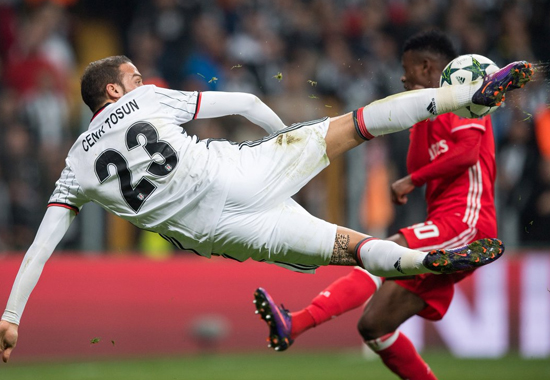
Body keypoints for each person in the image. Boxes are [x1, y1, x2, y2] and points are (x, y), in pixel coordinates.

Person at [0, 54, 532, 363]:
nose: (141, 81)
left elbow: (39, 251)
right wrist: (291, 144)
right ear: (116, 89)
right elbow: (250, 104)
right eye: (134, 76)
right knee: (357, 123)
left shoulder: (73, 167)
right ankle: (473, 99)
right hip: (240, 172)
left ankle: (423, 263)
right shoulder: (147, 100)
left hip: (220, 233)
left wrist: (11, 319)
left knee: (352, 250)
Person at [253, 30, 525, 380]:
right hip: (446, 223)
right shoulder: (432, 111)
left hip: (467, 220)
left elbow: (466, 153)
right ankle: (296, 326)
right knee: (374, 326)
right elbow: (414, 162)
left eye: (407, 68)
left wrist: (414, 180)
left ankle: (296, 323)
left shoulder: (468, 99)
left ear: (427, 67)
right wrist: (419, 120)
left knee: (379, 253)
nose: (402, 76)